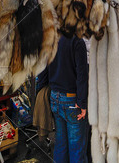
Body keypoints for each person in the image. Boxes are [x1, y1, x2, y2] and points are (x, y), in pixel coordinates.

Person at [38, 33, 88, 163]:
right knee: (76, 148)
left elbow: (43, 70)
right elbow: (82, 75)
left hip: (55, 97)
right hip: (72, 100)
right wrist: (82, 103)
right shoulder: (77, 41)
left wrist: (40, 91)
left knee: (61, 144)